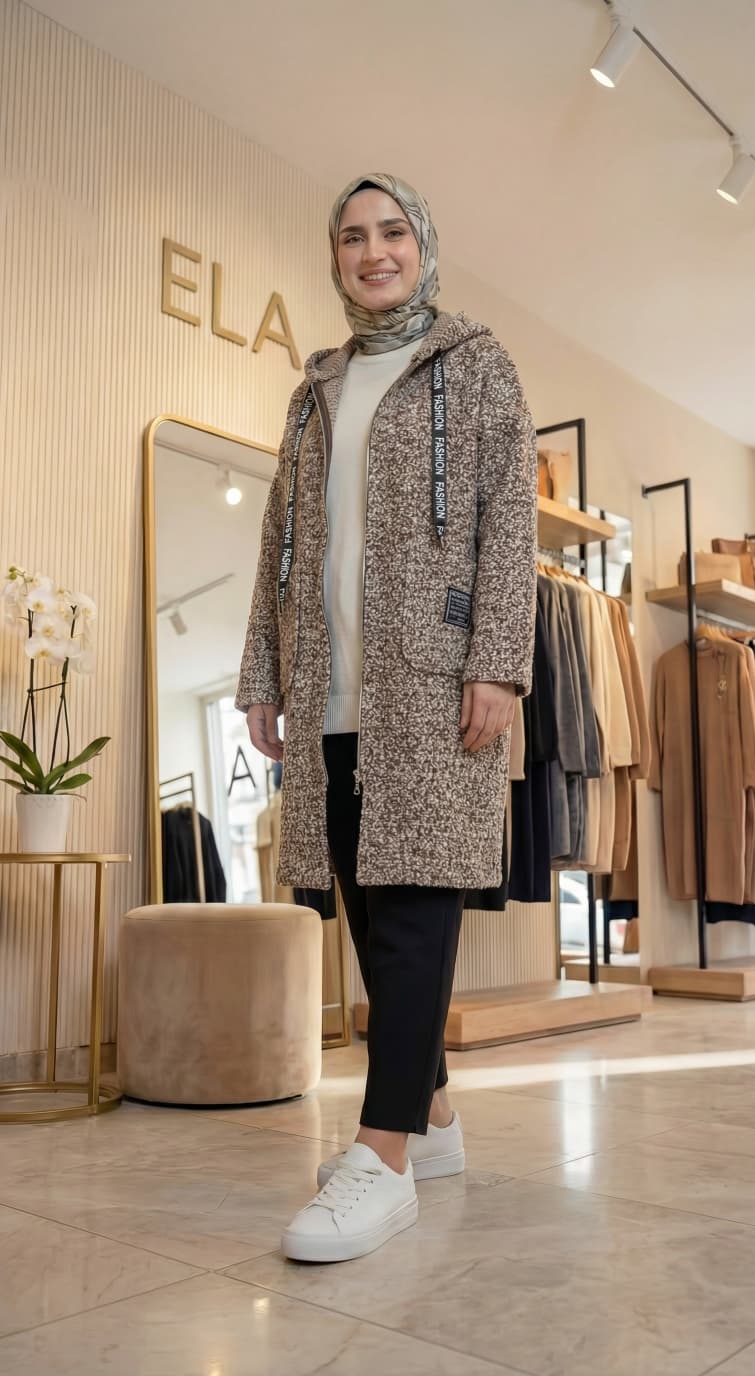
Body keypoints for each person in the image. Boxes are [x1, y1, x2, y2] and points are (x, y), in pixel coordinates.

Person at [236, 172, 537, 1264]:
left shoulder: (478, 363)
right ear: (335, 258)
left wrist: (498, 662)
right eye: (353, 236)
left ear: (423, 245)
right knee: (368, 903)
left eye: (393, 231)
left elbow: (510, 520)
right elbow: (280, 541)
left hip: (434, 680)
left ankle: (384, 1156)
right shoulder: (313, 389)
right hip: (331, 685)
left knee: (413, 904)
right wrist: (262, 676)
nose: (374, 251)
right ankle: (434, 1120)